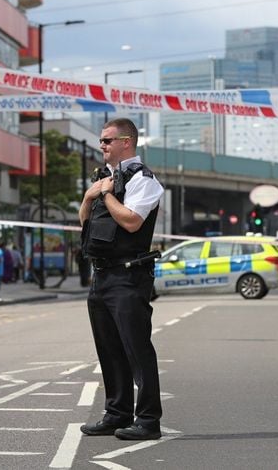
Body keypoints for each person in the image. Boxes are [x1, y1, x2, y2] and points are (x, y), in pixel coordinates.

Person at [78, 118, 164, 441]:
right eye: (101, 140)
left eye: (107, 140)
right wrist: (90, 198)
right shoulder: (105, 180)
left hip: (129, 276)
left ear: (126, 142)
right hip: (101, 276)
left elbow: (131, 221)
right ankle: (117, 413)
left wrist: (107, 195)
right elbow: (85, 224)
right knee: (109, 349)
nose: (102, 145)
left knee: (136, 349)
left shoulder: (144, 180)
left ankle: (148, 420)